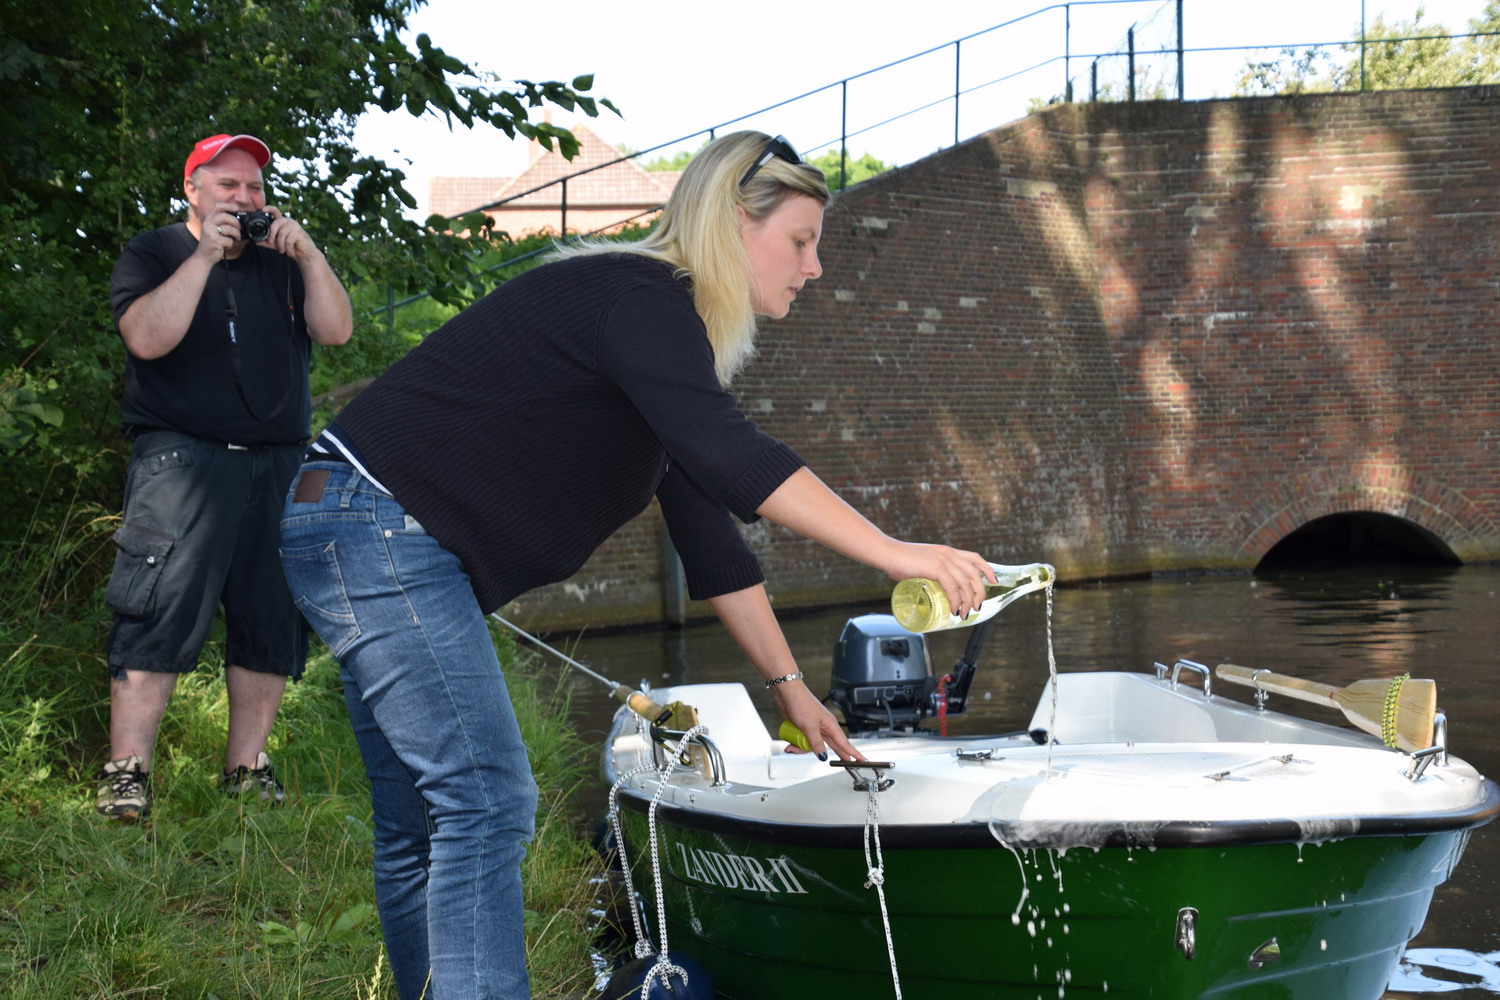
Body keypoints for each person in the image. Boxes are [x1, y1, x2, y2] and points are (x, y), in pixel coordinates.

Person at [278, 130, 995, 999]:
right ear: (736, 221)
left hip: (354, 518)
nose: (813, 268)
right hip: (377, 524)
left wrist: (792, 693)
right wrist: (895, 551)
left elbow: (712, 542)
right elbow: (733, 458)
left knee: (426, 822)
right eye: (801, 241)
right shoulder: (643, 300)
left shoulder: (660, 339)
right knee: (486, 797)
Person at [96, 133, 353, 823]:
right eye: (229, 186)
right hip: (182, 460)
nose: (245, 199)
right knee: (157, 609)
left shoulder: (283, 263)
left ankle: (246, 770)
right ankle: (127, 776)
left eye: (255, 188)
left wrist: (309, 255)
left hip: (276, 462)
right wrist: (207, 254)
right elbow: (146, 338)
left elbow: (336, 333)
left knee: (270, 618)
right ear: (194, 191)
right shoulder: (156, 252)